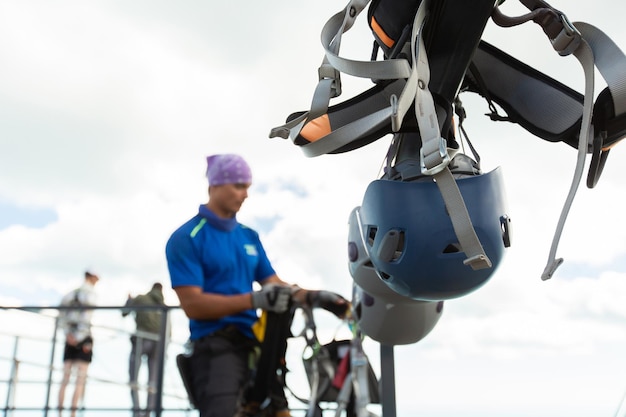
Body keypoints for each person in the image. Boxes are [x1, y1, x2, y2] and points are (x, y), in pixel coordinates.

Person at [165, 154, 347, 417]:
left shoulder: (248, 236)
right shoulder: (187, 237)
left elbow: (273, 283)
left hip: (256, 347)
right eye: (238, 186)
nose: (245, 195)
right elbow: (193, 305)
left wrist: (314, 297)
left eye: (248, 187)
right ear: (214, 185)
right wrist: (254, 300)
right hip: (216, 350)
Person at [57, 269, 99, 417]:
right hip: (84, 339)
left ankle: (60, 413)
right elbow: (87, 317)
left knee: (65, 378)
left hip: (70, 338)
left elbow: (61, 314)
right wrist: (79, 337)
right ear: (92, 277)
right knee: (80, 380)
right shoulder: (91, 294)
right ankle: (73, 414)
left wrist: (68, 334)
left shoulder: (71, 293)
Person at [122, 282, 168, 417]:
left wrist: (129, 300)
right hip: (159, 345)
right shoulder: (164, 307)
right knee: (153, 381)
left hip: (142, 340)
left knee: (133, 378)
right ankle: (148, 413)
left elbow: (125, 312)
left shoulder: (141, 299)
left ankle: (137, 412)